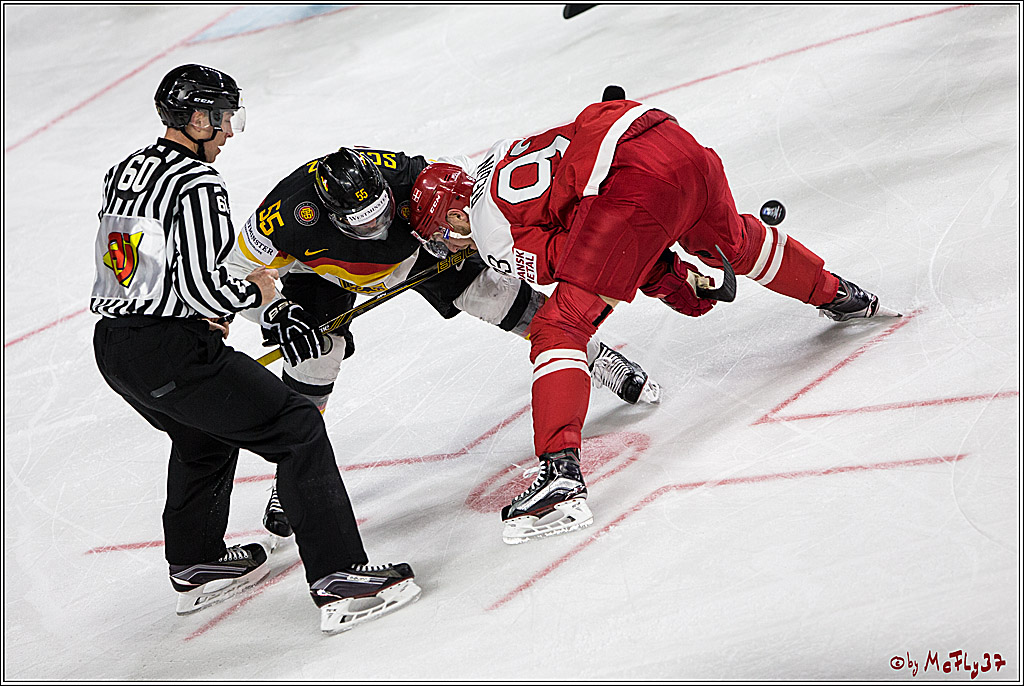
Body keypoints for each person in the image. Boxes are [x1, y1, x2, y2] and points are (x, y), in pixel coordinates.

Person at [408, 97, 902, 545]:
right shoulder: (497, 154)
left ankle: (560, 479)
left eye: (442, 236)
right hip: (662, 134)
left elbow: (591, 257)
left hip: (631, 184)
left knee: (560, 327)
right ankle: (841, 295)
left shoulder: (488, 231)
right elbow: (603, 228)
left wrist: (669, 279)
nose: (450, 248)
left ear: (456, 216)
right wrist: (672, 275)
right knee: (736, 243)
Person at [90, 63, 418, 634]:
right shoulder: (197, 184)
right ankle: (339, 579)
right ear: (196, 118)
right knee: (297, 428)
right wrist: (262, 294)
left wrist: (197, 313)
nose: (228, 131)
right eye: (222, 117)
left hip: (116, 348)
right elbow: (205, 285)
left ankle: (196, 564)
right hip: (171, 350)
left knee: (202, 437)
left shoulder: (127, 170)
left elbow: (132, 265)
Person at [223, 146, 663, 538]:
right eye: (364, 223)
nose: (378, 227)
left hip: (416, 249)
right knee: (314, 359)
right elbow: (234, 272)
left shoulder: (401, 173)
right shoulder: (285, 213)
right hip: (323, 272)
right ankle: (293, 472)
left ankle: (597, 358)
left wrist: (459, 231)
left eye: (380, 214)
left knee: (498, 295)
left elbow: (461, 186)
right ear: (332, 215)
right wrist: (275, 312)